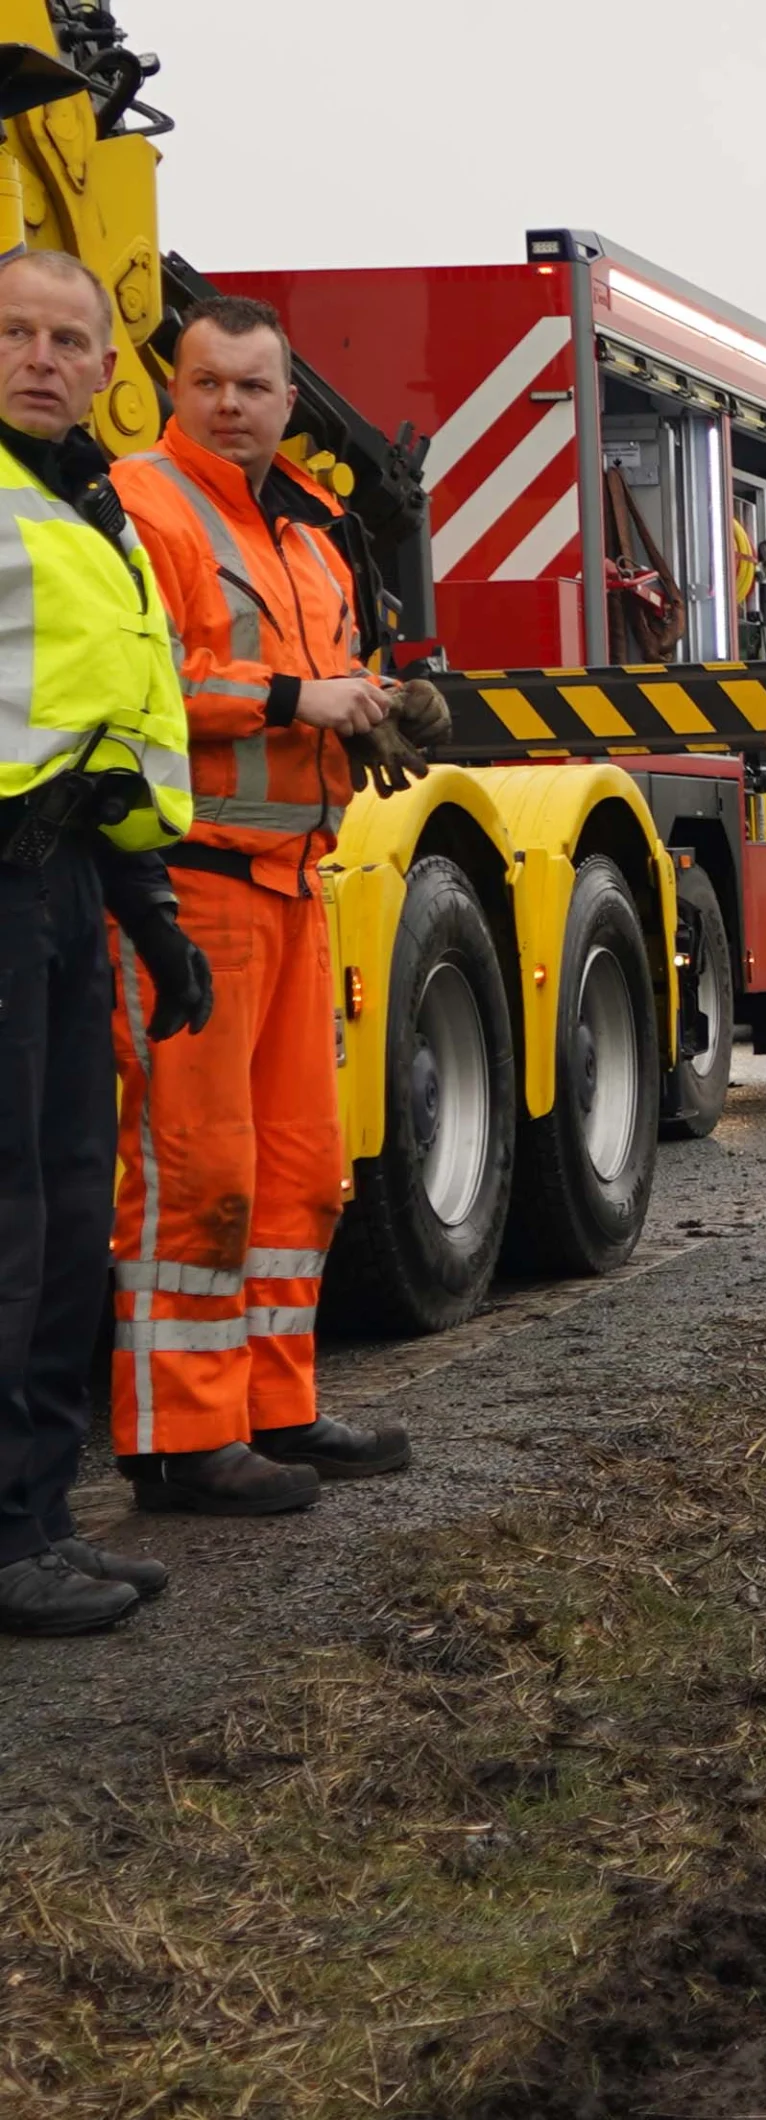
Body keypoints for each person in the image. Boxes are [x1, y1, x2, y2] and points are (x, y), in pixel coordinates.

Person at [107, 294, 423, 1517]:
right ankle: (183, 1441)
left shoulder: (306, 525)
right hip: (194, 883)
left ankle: (272, 1406)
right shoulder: (145, 503)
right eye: (210, 384)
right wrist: (300, 695)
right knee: (197, 1168)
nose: (232, 406)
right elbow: (146, 679)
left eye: (254, 387)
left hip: (296, 883)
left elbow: (324, 679)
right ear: (173, 391)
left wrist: (377, 704)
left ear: (292, 402)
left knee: (297, 1168)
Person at [0, 247, 206, 1634]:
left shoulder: (94, 509)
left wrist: (152, 913)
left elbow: (106, 738)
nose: (40, 356)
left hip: (67, 889)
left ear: (108, 365)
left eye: (68, 337)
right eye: (13, 332)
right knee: (10, 1223)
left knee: (71, 1214)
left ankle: (34, 1520)